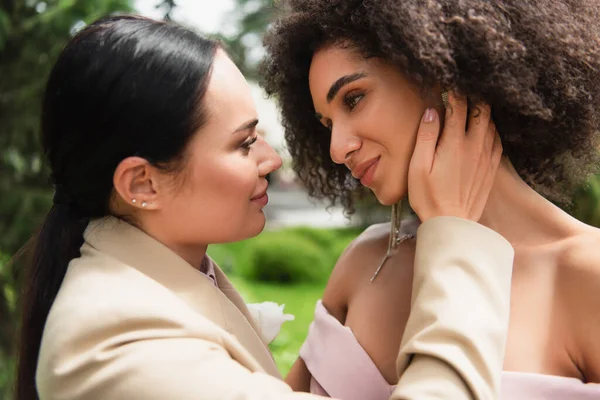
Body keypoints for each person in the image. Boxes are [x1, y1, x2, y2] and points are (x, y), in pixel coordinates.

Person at [15, 15, 514, 400]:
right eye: (244, 143)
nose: (273, 159)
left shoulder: (162, 285)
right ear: (143, 183)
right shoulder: (115, 344)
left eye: (356, 100)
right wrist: (455, 239)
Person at [260, 0, 600, 399]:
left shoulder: (586, 275)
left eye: (354, 99)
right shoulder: (366, 262)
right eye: (328, 124)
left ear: (442, 72)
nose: (337, 149)